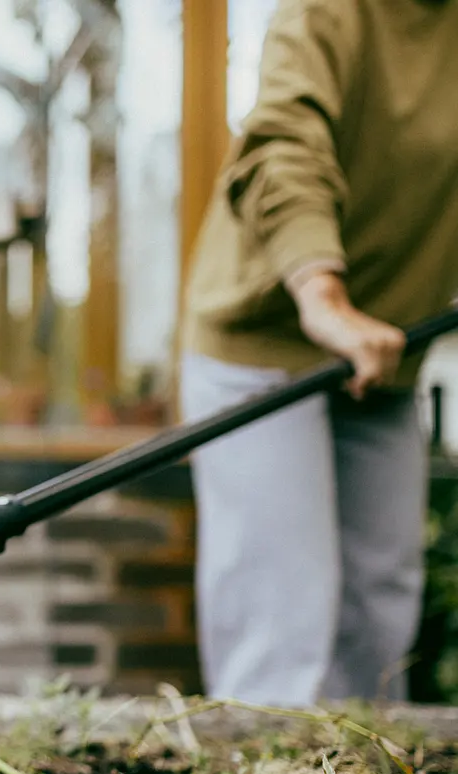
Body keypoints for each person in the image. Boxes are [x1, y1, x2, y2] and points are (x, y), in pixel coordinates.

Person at [178, 0, 458, 707]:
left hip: (387, 352)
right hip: (266, 340)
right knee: (281, 618)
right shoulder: (329, 10)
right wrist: (323, 295)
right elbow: (284, 146)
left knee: (378, 612)